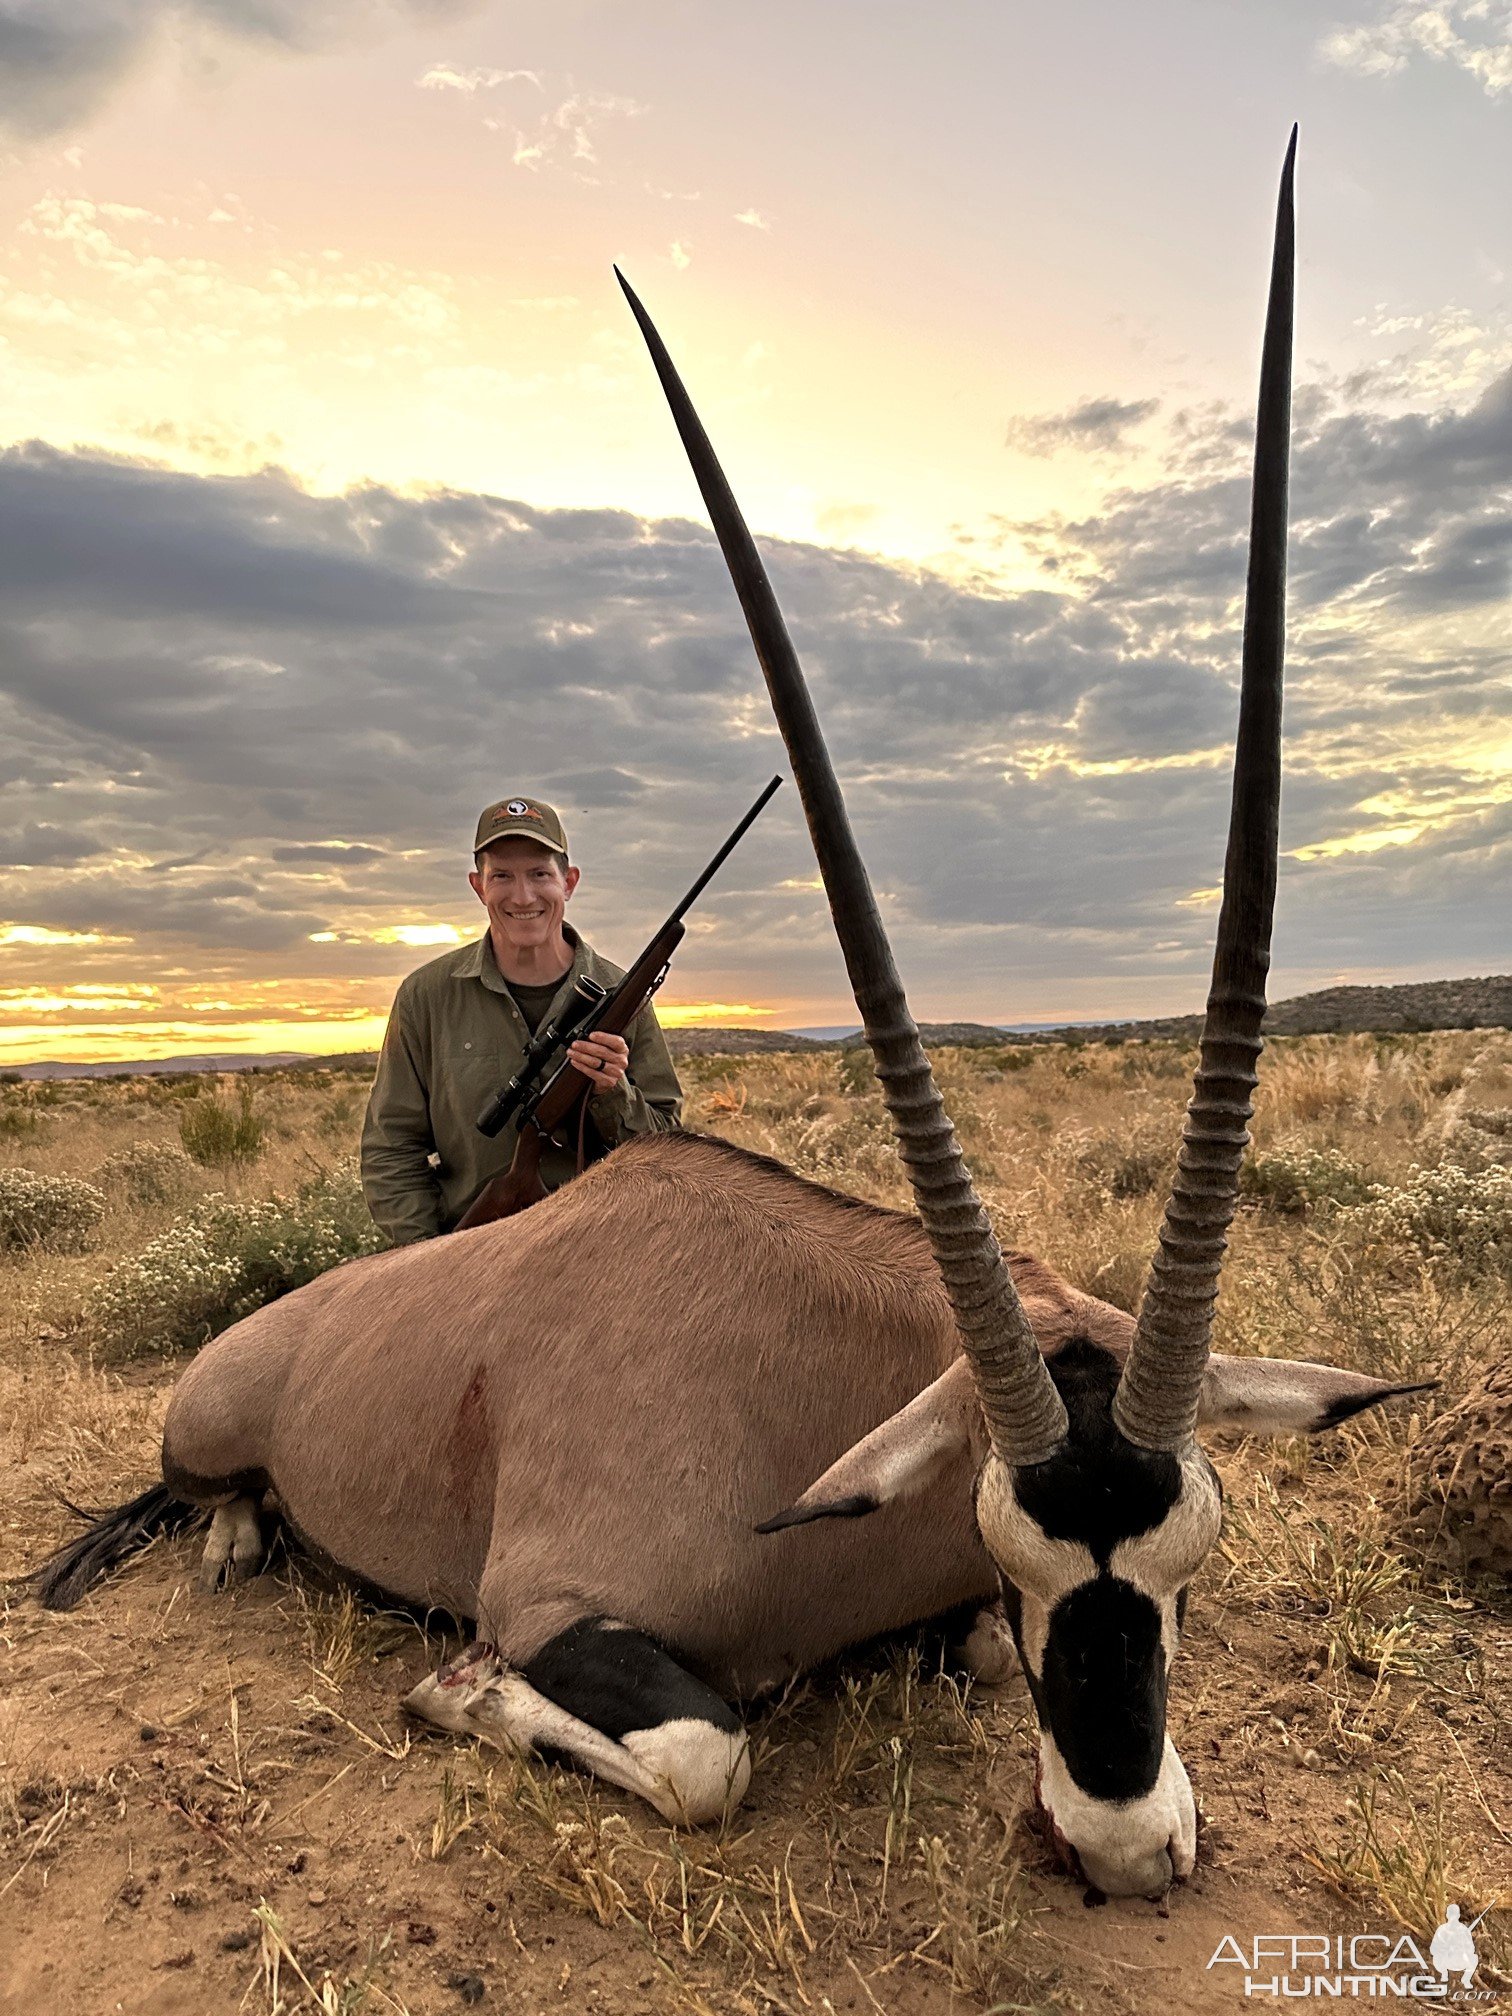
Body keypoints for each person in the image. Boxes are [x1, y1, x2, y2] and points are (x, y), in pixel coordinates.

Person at [361, 795, 683, 1242]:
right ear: (478, 886)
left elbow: (667, 1146)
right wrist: (426, 1259)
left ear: (568, 882)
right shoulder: (426, 996)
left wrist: (613, 1092)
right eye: (502, 877)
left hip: (605, 1255)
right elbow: (390, 1149)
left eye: (539, 874)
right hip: (467, 1256)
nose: (523, 896)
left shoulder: (622, 996)